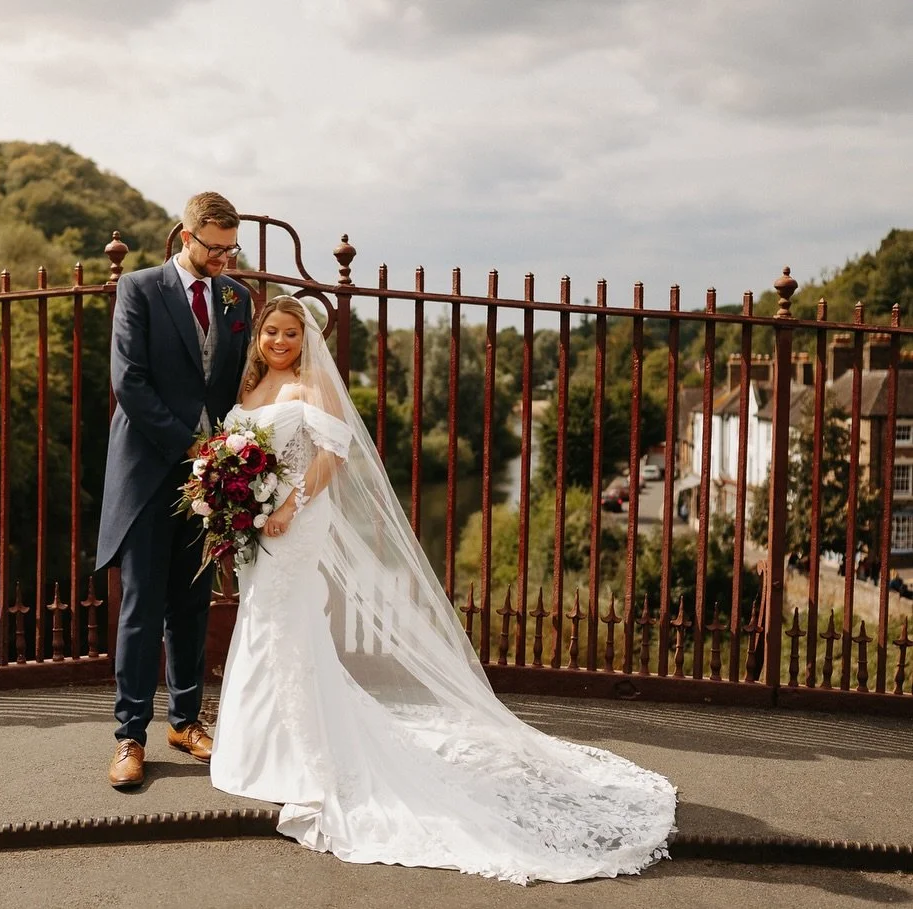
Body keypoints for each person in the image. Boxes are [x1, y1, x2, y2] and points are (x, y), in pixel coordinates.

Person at [210, 295, 677, 884]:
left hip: (293, 523)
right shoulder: (251, 386)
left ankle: (301, 756)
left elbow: (333, 454)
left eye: (290, 333)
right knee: (261, 623)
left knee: (287, 627)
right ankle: (256, 748)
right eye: (271, 332)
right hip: (256, 525)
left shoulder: (310, 385)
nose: (279, 341)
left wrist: (288, 506)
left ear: (306, 341)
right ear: (258, 335)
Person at [95, 192, 252, 789]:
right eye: (214, 248)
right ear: (186, 237)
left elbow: (236, 382)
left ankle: (185, 722)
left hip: (208, 478)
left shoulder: (236, 297)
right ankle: (129, 736)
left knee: (192, 604)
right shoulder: (140, 289)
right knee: (141, 607)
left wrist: (234, 452)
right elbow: (129, 381)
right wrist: (190, 446)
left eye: (230, 248)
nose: (223, 259)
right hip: (147, 470)